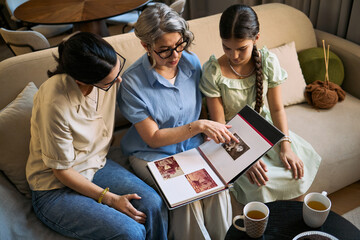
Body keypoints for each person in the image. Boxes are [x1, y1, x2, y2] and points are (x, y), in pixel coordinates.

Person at [26, 32, 168, 240]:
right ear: (81, 80)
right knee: (131, 232)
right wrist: (110, 199)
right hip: (55, 189)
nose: (118, 80)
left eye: (118, 69)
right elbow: (62, 171)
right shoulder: (55, 103)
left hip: (95, 165)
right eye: (108, 82)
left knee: (152, 202)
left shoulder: (104, 73)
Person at [117, 3, 238, 240]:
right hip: (151, 153)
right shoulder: (132, 83)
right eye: (164, 50)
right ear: (146, 46)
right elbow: (152, 138)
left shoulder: (191, 62)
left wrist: (209, 130)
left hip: (191, 147)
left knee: (217, 190)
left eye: (179, 45)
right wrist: (200, 126)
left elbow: (204, 102)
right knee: (187, 197)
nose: (175, 56)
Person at [199, 4, 322, 205]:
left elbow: (276, 109)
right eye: (227, 47)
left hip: (265, 129)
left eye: (241, 48)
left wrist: (285, 145)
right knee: (261, 181)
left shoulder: (268, 62)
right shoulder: (213, 72)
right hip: (231, 137)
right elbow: (219, 126)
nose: (234, 56)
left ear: (256, 38)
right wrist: (245, 160)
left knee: (295, 171)